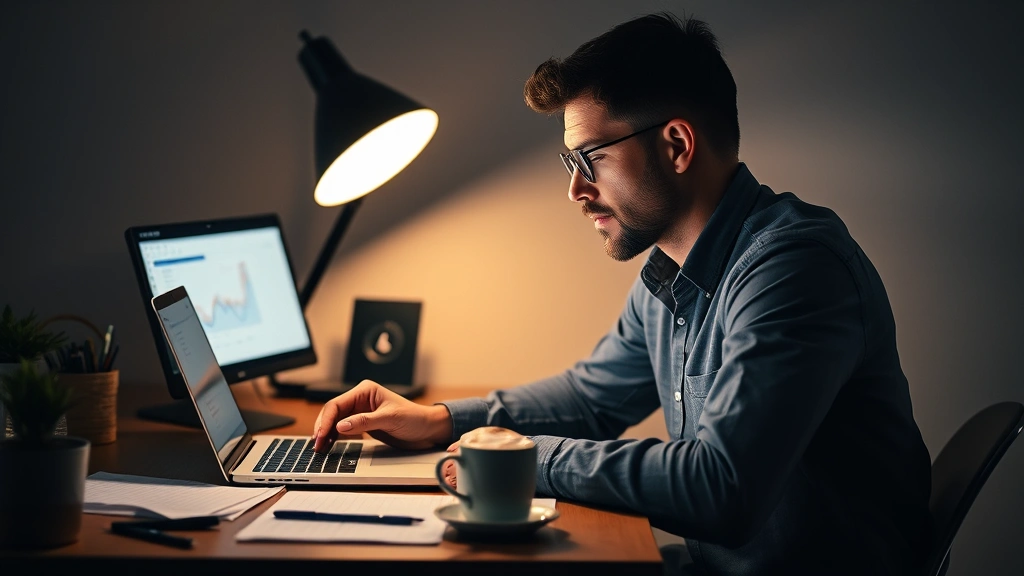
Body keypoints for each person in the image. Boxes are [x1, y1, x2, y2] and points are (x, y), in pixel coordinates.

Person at [312, 12, 933, 576]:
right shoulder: (668, 271)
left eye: (591, 157)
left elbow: (721, 490)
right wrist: (443, 421)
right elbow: (591, 397)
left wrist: (519, 458)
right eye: (569, 163)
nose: (577, 190)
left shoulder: (794, 270)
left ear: (677, 145)